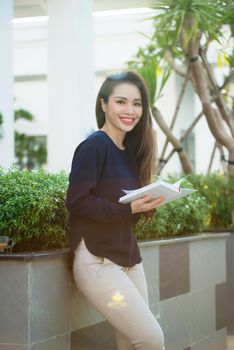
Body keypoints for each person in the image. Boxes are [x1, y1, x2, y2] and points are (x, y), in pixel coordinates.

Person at [66, 71, 165, 350]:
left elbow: (122, 205)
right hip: (97, 261)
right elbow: (77, 201)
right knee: (151, 340)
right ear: (103, 105)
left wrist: (147, 205)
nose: (130, 111)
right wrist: (129, 208)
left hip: (129, 259)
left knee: (130, 342)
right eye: (121, 102)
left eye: (136, 104)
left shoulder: (129, 150)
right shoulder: (93, 146)